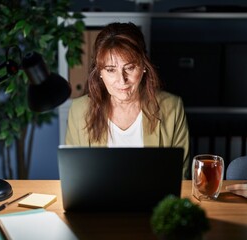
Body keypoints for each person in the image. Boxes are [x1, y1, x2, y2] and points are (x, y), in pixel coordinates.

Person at [65, 22, 190, 179]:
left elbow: (180, 177)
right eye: (111, 70)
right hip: (98, 203)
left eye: (130, 68)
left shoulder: (172, 107)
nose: (121, 80)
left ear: (143, 66)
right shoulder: (79, 110)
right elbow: (75, 177)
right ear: (100, 73)